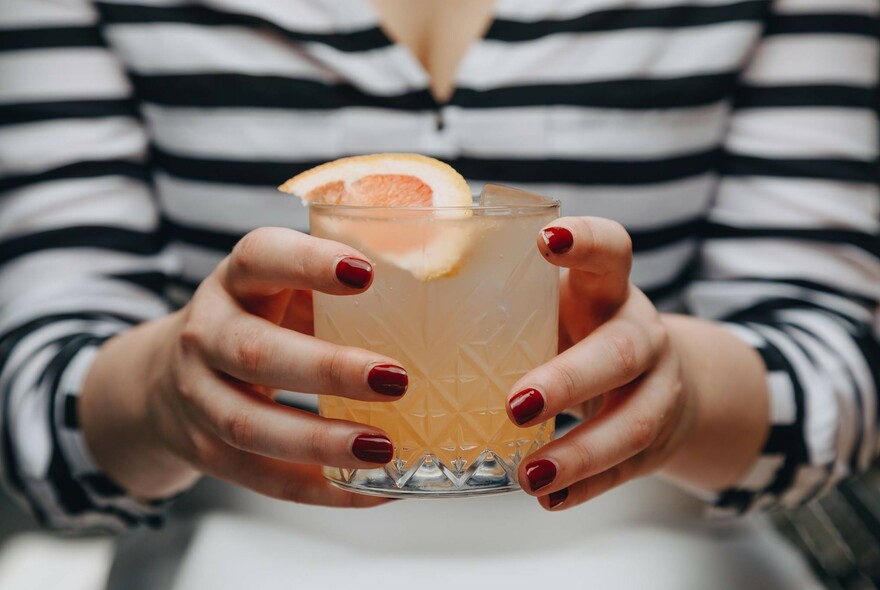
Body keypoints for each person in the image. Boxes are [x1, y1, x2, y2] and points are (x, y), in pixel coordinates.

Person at [0, 0, 877, 534]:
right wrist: (163, 395)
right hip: (225, 548)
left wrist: (680, 398)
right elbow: (33, 392)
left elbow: (841, 368)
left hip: (672, 545)